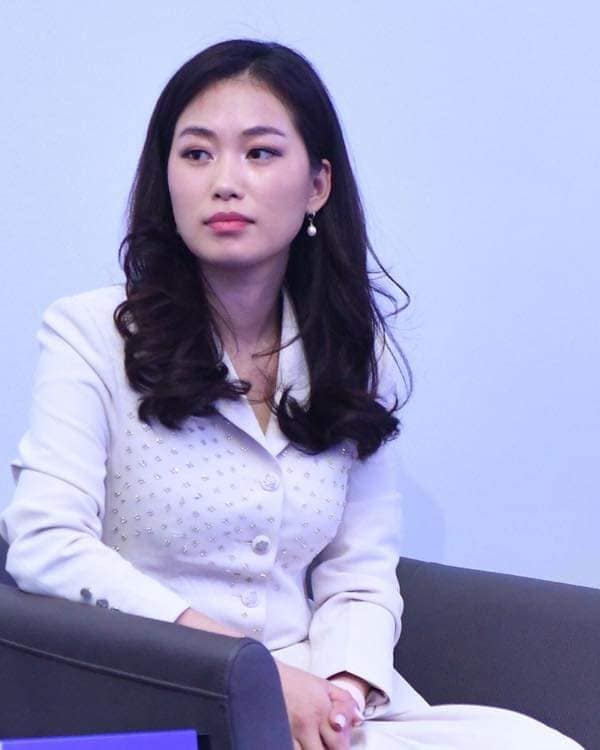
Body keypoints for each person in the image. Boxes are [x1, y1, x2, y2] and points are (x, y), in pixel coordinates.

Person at [0, 39, 582, 750]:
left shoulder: (349, 350)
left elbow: (359, 571)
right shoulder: (90, 332)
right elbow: (46, 543)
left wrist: (343, 692)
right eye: (196, 153)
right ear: (166, 177)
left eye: (261, 153)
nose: (225, 182)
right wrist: (245, 671)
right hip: (152, 694)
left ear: (317, 186)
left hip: (319, 695)